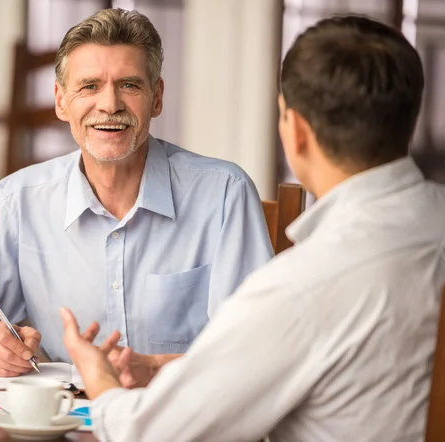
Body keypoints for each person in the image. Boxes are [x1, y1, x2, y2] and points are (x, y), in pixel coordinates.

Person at [61, 15, 445, 442]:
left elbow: (150, 435)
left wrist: (99, 381)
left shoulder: (301, 285)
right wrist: (152, 367)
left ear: (294, 131)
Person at [0, 8, 273, 381]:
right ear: (61, 101)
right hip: (65, 425)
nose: (109, 105)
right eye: (89, 86)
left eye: (129, 84)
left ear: (156, 98)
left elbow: (260, 347)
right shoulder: (19, 201)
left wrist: (156, 367)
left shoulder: (224, 194)